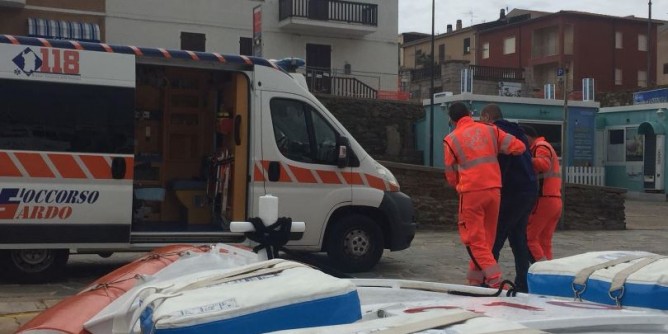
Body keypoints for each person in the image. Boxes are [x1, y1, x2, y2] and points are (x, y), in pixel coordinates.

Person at [443, 102, 527, 288]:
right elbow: (519, 147)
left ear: (451, 119)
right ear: (469, 113)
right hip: (494, 190)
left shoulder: (451, 139)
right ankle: (475, 280)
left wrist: (459, 184)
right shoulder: (490, 130)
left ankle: (496, 281)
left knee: (475, 240)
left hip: (472, 192)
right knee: (487, 240)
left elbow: (450, 174)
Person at [480, 104, 538, 293]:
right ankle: (523, 282)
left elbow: (502, 163)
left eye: (482, 119)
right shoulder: (518, 132)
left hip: (512, 191)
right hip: (529, 189)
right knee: (518, 238)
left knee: (496, 235)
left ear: (487, 117)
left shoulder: (496, 133)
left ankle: (489, 281)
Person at [521, 125, 562, 262]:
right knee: (544, 240)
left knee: (530, 237)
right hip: (554, 200)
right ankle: (549, 270)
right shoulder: (546, 146)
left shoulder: (540, 147)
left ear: (527, 136)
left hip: (544, 200)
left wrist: (525, 159)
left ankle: (541, 268)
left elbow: (544, 165)